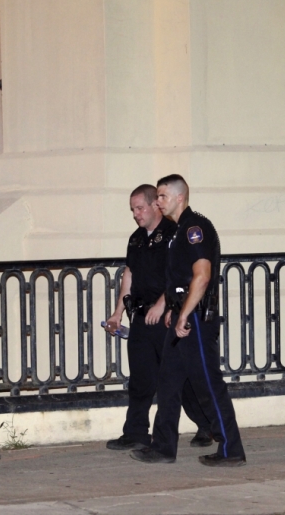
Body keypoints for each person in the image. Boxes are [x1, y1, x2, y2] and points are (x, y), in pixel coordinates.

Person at [130, 174, 246, 467]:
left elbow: (202, 276)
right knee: (168, 384)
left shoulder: (195, 228)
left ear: (180, 197)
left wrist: (183, 313)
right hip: (182, 315)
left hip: (194, 319)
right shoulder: (178, 231)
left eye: (162, 196)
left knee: (208, 384)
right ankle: (163, 447)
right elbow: (179, 280)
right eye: (157, 196)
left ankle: (231, 449)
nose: (158, 202)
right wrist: (172, 307)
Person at [104, 185, 213, 451]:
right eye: (132, 209)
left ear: (155, 205)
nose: (135, 214)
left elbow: (179, 276)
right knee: (140, 380)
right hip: (140, 317)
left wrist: (161, 305)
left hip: (164, 317)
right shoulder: (136, 239)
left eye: (139, 208)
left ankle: (206, 424)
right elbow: (129, 275)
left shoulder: (174, 235)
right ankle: (136, 432)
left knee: (178, 379)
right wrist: (118, 313)